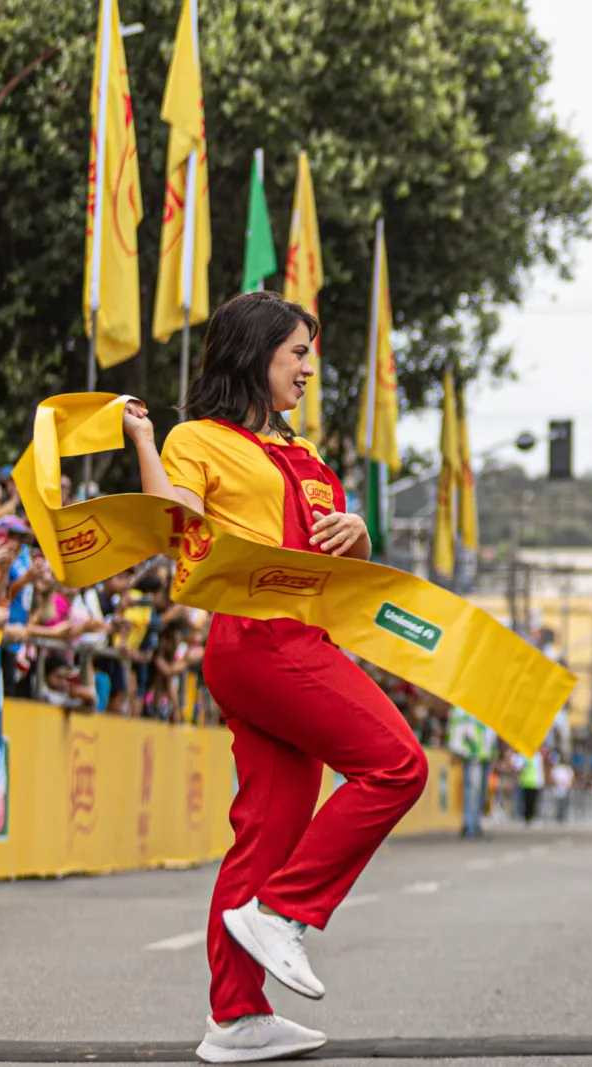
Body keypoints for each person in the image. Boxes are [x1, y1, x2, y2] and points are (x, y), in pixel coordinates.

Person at [124, 291, 428, 1066]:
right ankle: (287, 912)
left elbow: (333, 569)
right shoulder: (201, 439)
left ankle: (236, 1017)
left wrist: (357, 533)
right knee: (398, 763)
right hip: (260, 636)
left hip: (298, 632)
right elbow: (173, 527)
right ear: (255, 353)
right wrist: (144, 441)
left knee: (267, 826)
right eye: (296, 351)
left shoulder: (308, 455)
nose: (307, 366)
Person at [448, 707, 497, 839]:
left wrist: (494, 751)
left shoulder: (488, 707)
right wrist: (456, 750)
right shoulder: (462, 707)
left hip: (486, 754)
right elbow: (456, 728)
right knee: (472, 790)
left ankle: (476, 823)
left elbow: (492, 732)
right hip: (471, 754)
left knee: (482, 791)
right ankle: (469, 825)